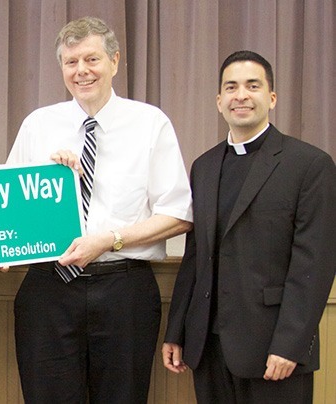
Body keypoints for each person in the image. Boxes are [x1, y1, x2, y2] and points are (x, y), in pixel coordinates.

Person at [6, 16, 193, 403]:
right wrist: (43, 184)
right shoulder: (39, 125)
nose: (81, 71)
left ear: (115, 61)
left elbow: (178, 214)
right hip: (48, 288)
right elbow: (12, 214)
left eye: (91, 59)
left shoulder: (150, 123)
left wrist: (110, 240)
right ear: (61, 68)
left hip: (123, 289)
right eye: (71, 62)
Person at [162, 50, 336, 403]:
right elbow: (196, 257)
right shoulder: (204, 166)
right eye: (231, 87)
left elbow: (314, 265)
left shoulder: (310, 165)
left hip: (275, 351)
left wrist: (290, 345)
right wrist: (177, 330)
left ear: (271, 98)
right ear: (219, 101)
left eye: (252, 86)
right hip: (209, 350)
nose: (241, 95)